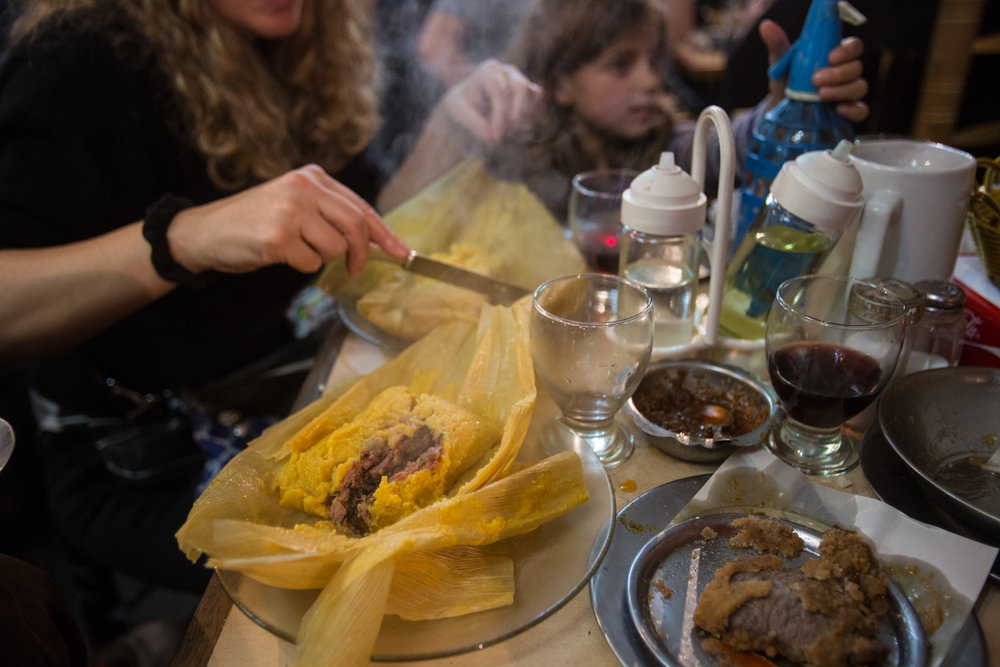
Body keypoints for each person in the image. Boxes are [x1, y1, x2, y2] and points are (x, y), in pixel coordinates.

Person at [0, 0, 411, 642]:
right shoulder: (76, 60)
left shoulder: (317, 33)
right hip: (150, 440)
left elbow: (375, 227)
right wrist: (180, 237)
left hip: (290, 377)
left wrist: (454, 123)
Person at [378, 0, 869, 223]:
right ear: (560, 83)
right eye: (620, 65)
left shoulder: (663, 150)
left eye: (651, 61)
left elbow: (730, 144)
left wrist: (785, 111)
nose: (651, 81)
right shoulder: (516, 159)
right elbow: (396, 217)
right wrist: (449, 120)